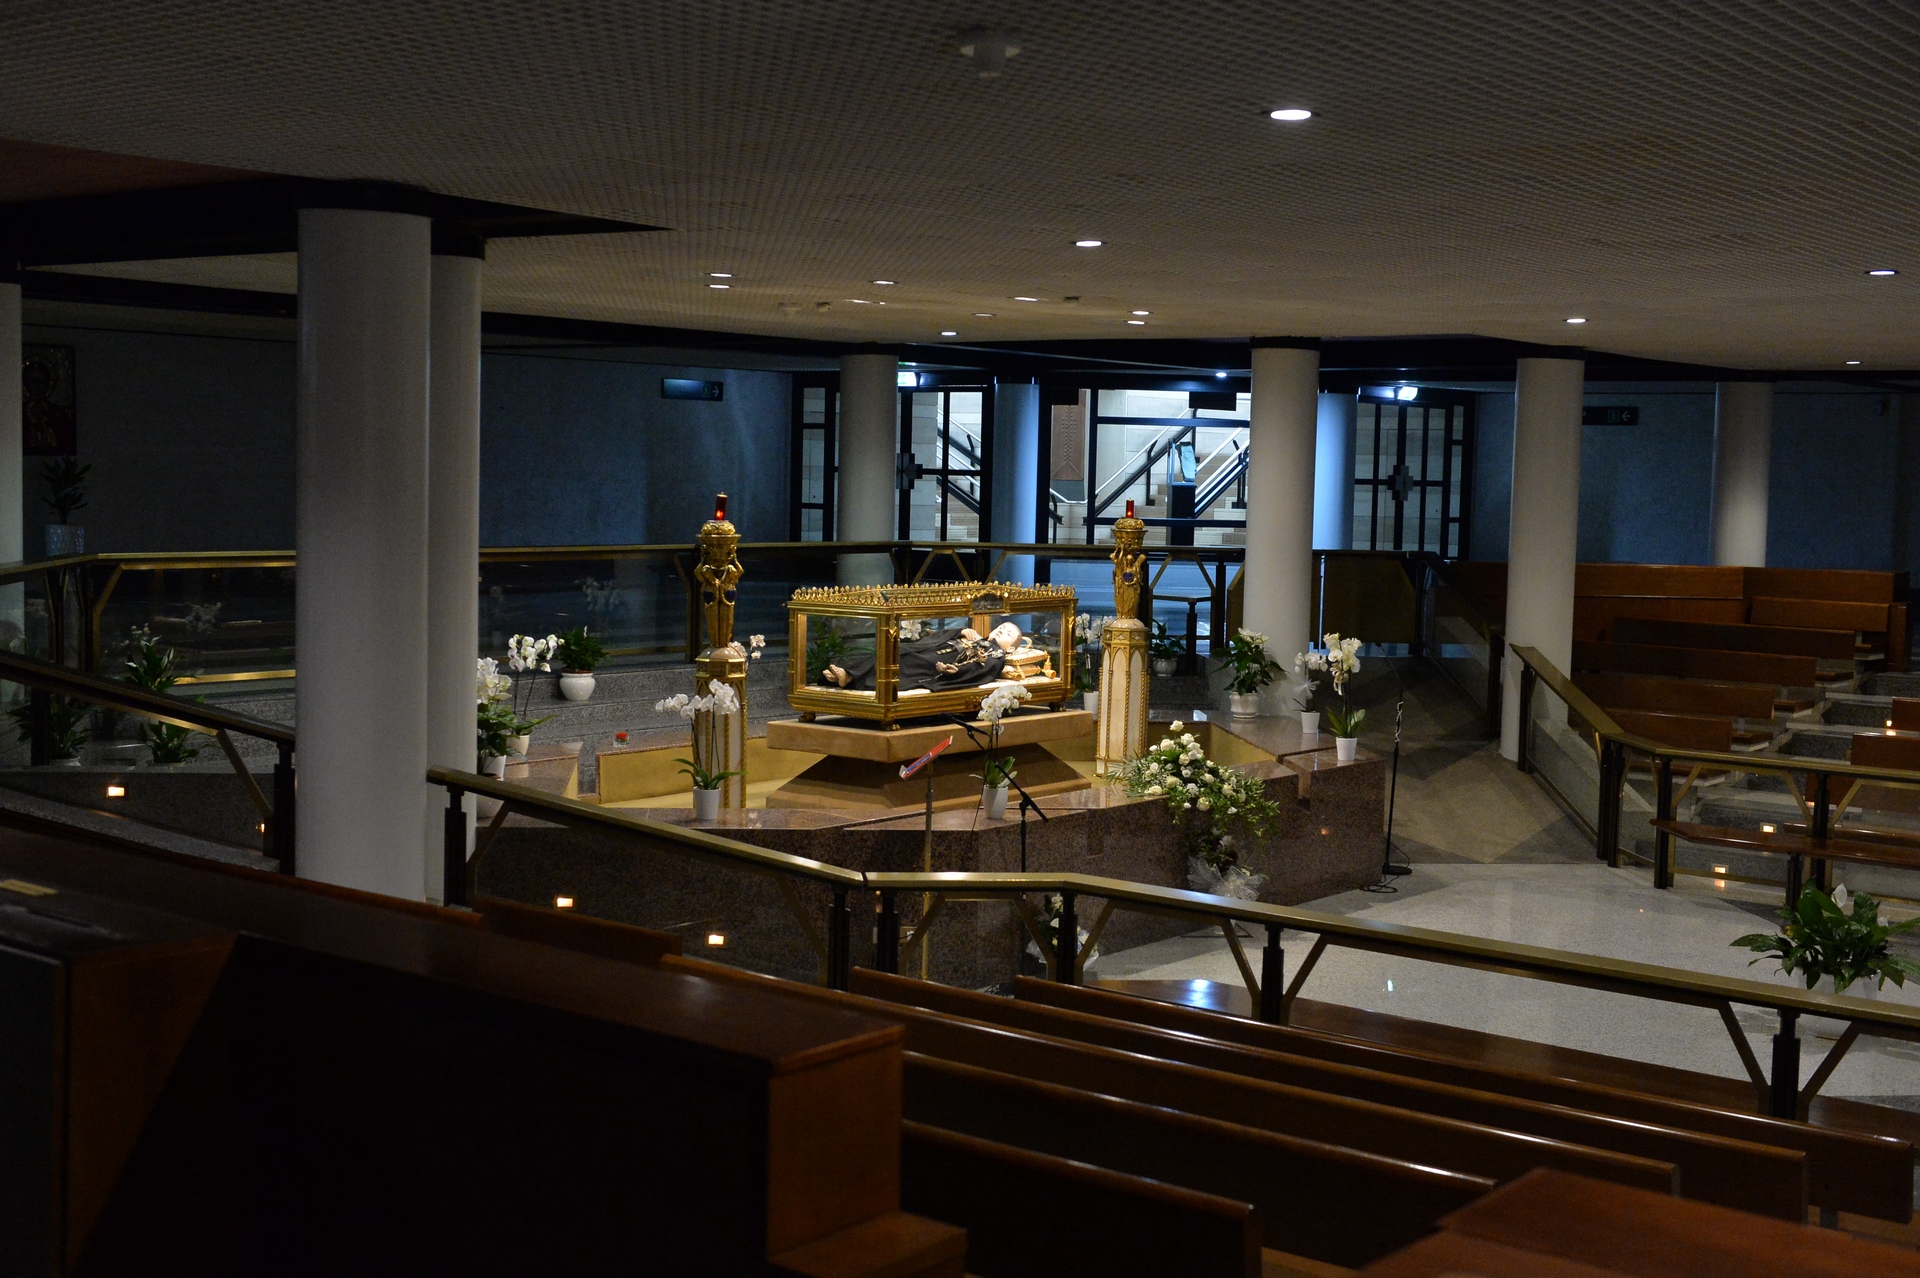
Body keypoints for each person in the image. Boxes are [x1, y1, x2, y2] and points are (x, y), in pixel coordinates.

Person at [821, 622, 1026, 691]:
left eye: (1008, 633)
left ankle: (849, 678)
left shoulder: (996, 654)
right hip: (934, 650)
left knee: (904, 662)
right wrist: (961, 631)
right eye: (1001, 627)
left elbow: (981, 669)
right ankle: (849, 676)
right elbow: (943, 636)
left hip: (940, 664)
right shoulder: (976, 637)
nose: (1001, 630)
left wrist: (956, 671)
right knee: (898, 650)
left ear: (1010, 650)